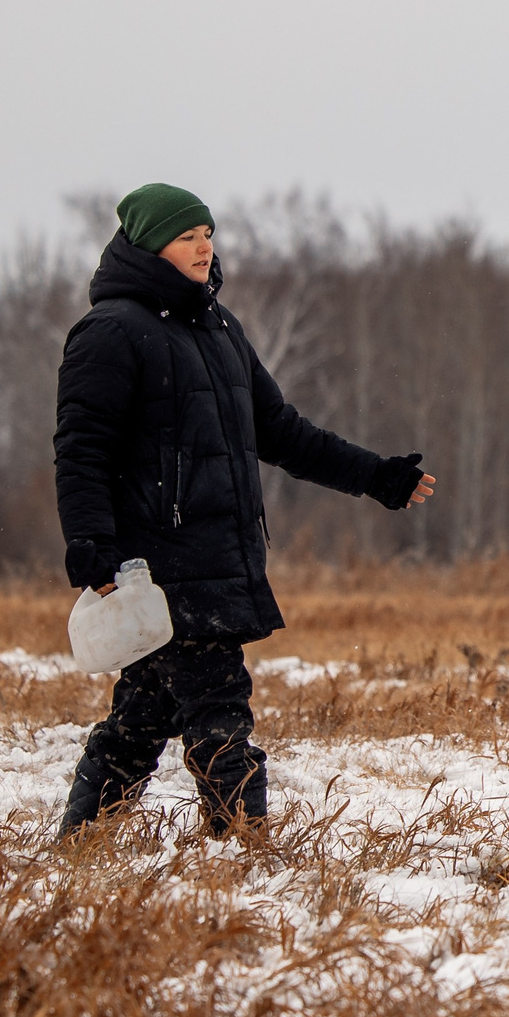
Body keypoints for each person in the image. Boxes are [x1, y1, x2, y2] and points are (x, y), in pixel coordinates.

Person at [52, 182, 435, 841]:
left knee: (142, 716)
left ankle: (82, 844)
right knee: (218, 710)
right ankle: (245, 850)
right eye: (186, 237)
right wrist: (90, 543)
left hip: (221, 556)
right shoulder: (111, 332)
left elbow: (282, 432)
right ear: (150, 245)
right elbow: (81, 451)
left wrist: (375, 476)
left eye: (208, 234)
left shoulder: (218, 328)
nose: (203, 248)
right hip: (162, 563)